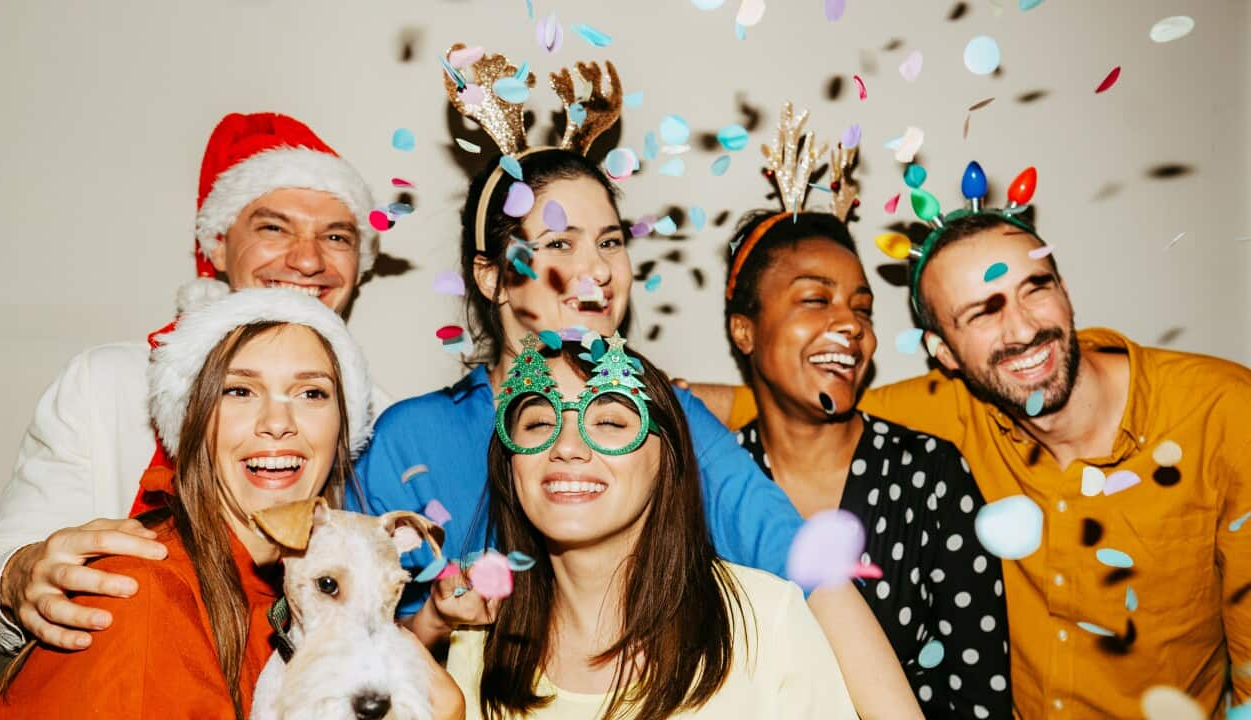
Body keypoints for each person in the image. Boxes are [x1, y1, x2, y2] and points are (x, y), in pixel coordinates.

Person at [354, 145, 921, 719]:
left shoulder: (671, 417)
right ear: (491, 275)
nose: (598, 269)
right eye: (559, 242)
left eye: (610, 241)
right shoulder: (411, 439)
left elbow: (817, 578)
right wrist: (435, 624)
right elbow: (347, 648)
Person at [702, 180, 1251, 716]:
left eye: (1035, 287)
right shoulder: (953, 407)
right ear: (944, 352)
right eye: (982, 311)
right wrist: (667, 407)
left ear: (1064, 288)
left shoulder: (1224, 412)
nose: (1022, 327)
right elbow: (801, 409)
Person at [0, 112, 382, 654]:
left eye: (335, 236)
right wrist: (19, 576)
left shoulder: (379, 415)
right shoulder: (110, 384)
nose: (307, 259)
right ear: (216, 245)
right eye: (273, 227)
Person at [0, 289, 462, 719]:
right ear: (192, 426)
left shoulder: (278, 591)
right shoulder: (142, 599)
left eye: (312, 392)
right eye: (239, 390)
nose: (278, 421)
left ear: (340, 430)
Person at [446, 335, 857, 719]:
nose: (566, 446)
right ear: (509, 463)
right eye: (537, 423)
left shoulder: (768, 621)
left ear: (667, 459)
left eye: (608, 422)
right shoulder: (478, 642)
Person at [723, 209, 1012, 718]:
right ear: (744, 331)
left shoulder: (929, 475)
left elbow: (979, 694)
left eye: (863, 310)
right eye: (816, 299)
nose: (851, 326)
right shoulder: (712, 482)